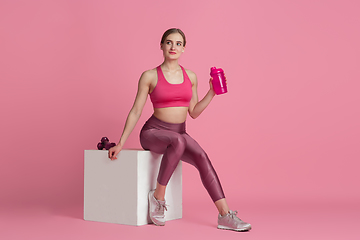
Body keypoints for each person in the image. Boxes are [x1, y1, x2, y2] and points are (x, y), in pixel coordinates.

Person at [108, 28, 251, 232]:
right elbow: (136, 111)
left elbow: (193, 112)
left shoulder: (190, 76)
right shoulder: (149, 76)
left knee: (201, 156)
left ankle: (225, 215)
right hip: (153, 132)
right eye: (168, 42)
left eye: (178, 43)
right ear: (161, 46)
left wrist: (211, 93)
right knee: (179, 141)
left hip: (179, 134)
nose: (173, 47)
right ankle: (158, 197)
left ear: (184, 48)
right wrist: (121, 143)